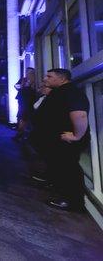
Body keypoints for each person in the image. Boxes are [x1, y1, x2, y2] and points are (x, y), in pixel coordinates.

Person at [41, 69, 90, 211]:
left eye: (49, 76)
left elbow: (80, 115)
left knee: (69, 169)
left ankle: (73, 202)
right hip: (60, 139)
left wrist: (76, 136)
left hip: (68, 140)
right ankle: (61, 190)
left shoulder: (71, 92)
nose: (45, 79)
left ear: (62, 79)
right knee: (62, 167)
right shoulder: (62, 91)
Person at [13, 68, 37, 141]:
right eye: (26, 72)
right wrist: (22, 85)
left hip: (29, 101)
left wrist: (27, 86)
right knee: (20, 115)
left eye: (29, 72)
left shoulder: (35, 80)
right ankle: (20, 132)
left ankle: (21, 133)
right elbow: (16, 86)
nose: (27, 74)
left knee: (24, 116)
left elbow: (33, 90)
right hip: (21, 99)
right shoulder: (23, 79)